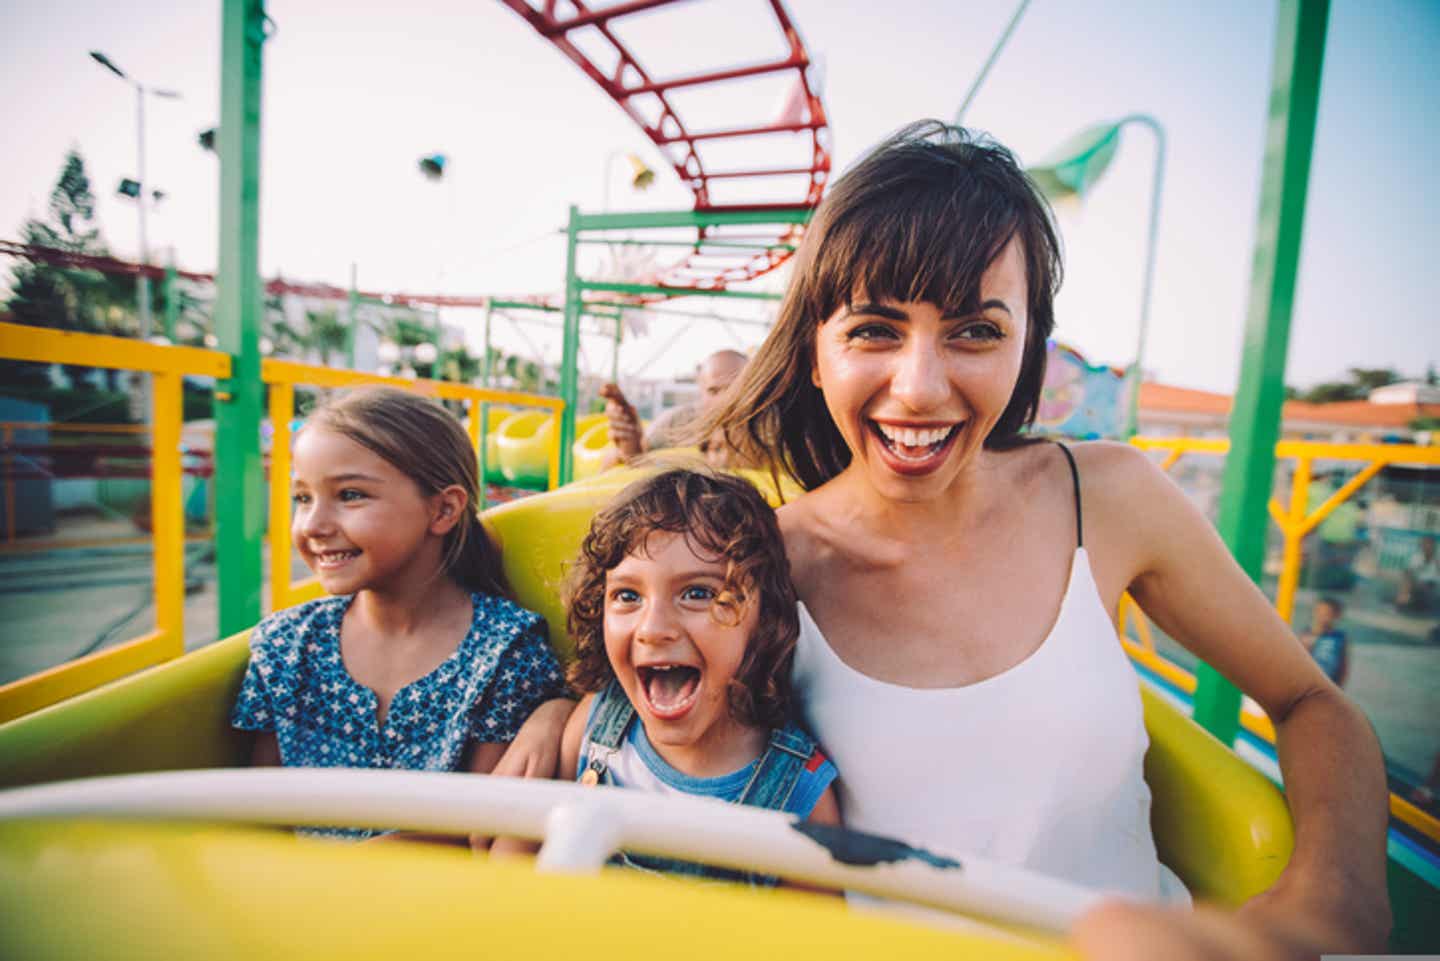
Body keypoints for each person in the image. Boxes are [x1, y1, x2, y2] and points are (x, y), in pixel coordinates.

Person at [696, 121, 1390, 956]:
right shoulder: (762, 566)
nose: (919, 387)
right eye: (874, 330)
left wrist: (1328, 899)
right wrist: (566, 713)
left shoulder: (1107, 497)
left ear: (1028, 345)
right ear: (815, 353)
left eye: (976, 331)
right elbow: (653, 721)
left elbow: (1314, 702)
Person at [231, 386, 566, 844]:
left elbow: (482, 834)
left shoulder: (506, 650)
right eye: (303, 498)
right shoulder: (285, 646)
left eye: (349, 495)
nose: (313, 525)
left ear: (443, 509)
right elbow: (260, 812)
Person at [557, 467, 840, 885]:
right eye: (627, 596)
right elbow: (521, 861)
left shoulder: (796, 790)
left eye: (698, 593)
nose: (653, 628)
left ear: (764, 617)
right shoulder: (594, 725)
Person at [601, 349, 748, 469]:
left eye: (734, 390)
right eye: (714, 391)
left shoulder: (766, 429)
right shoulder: (677, 422)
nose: (725, 400)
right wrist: (630, 450)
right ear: (701, 390)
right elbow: (609, 467)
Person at [1299, 597, 1349, 687]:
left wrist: (1339, 686)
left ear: (1337, 615)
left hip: (1329, 684)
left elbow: (1343, 665)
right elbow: (1298, 662)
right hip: (1308, 683)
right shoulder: (1305, 635)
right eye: (1319, 612)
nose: (1323, 617)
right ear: (1314, 612)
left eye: (1327, 613)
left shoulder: (1339, 638)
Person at [1395, 534, 1439, 612]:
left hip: (1432, 584)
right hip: (1417, 582)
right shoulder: (1416, 558)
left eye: (1429, 545)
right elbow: (1408, 571)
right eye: (1424, 545)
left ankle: (1401, 603)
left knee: (1410, 583)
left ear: (1433, 547)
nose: (1427, 547)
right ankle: (1401, 602)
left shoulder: (1437, 560)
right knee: (1407, 581)